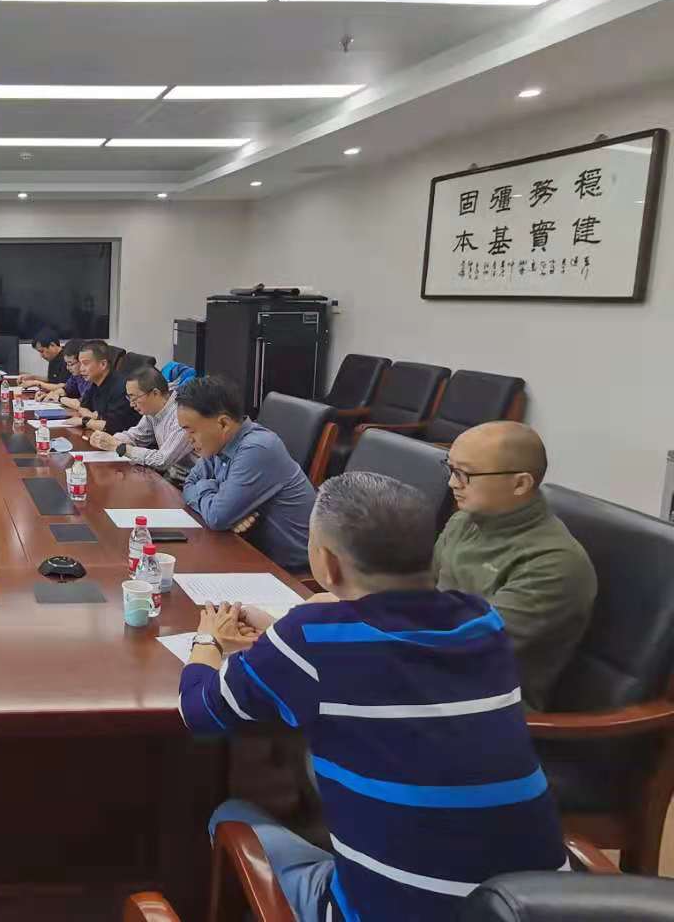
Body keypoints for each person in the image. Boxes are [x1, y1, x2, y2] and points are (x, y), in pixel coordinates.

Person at [183, 472, 569, 922]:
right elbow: (392, 653)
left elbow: (199, 711)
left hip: (389, 913)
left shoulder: (310, 638)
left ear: (328, 564)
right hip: (539, 908)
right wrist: (291, 631)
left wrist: (207, 642)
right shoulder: (482, 621)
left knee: (230, 815)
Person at [436, 421, 596, 711]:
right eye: (450, 468)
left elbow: (472, 643)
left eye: (464, 474)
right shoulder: (463, 522)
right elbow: (422, 593)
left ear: (520, 484)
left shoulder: (554, 562)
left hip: (486, 703)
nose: (452, 483)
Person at [177, 375, 315, 572]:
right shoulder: (218, 444)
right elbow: (189, 483)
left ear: (223, 424)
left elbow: (216, 517)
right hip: (248, 549)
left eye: (191, 431)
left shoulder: (256, 449)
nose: (187, 439)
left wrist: (214, 496)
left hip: (289, 571)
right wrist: (219, 500)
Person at [88, 367, 192, 472]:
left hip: (183, 479)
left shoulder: (182, 414)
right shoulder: (153, 410)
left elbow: (162, 460)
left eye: (134, 398)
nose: (131, 404)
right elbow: (135, 436)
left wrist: (119, 446)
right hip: (167, 474)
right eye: (129, 398)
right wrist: (106, 440)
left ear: (155, 393)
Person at [65, 339, 139, 434]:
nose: (81, 369)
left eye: (85, 363)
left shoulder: (122, 387)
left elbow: (112, 426)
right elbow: (82, 408)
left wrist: (85, 421)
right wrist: (95, 417)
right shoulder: (95, 383)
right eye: (80, 363)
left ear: (103, 364)